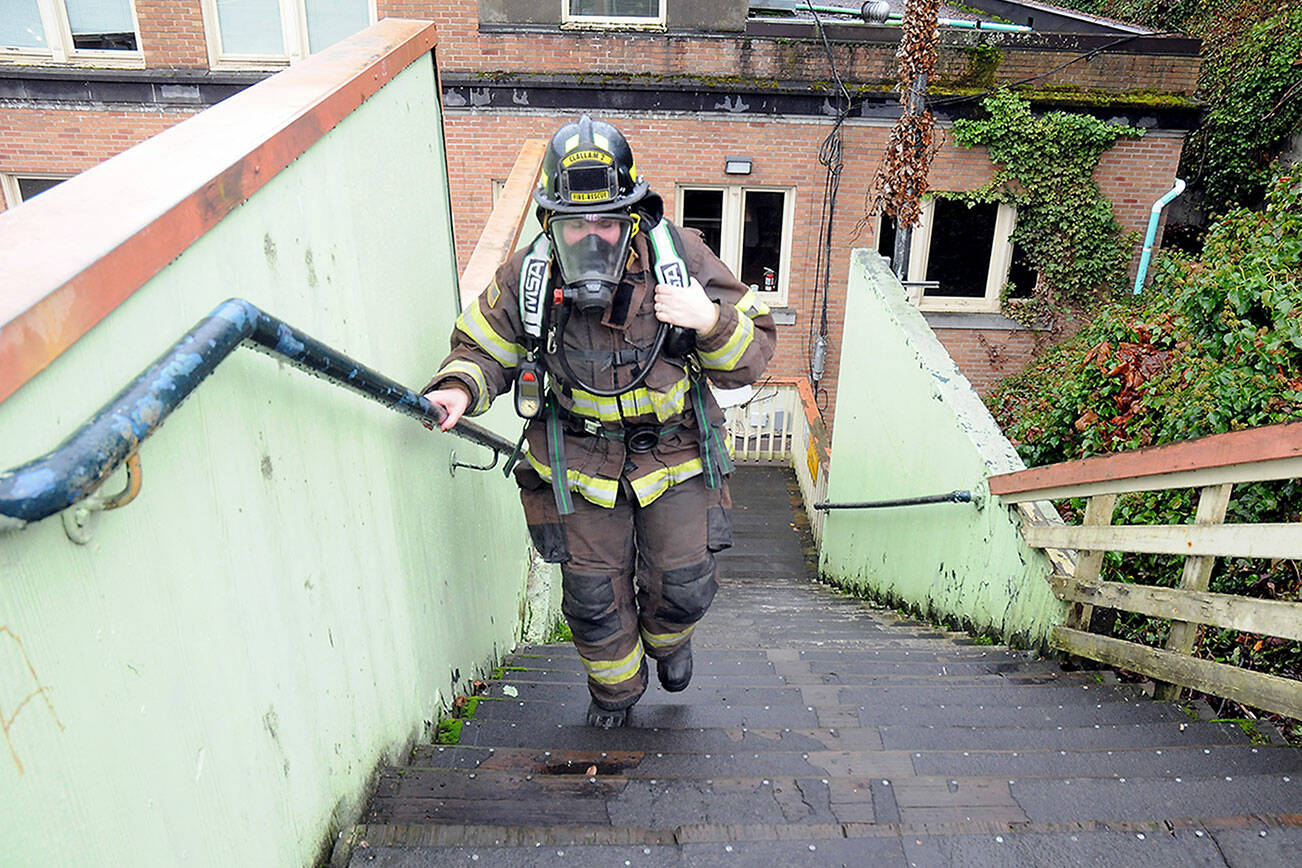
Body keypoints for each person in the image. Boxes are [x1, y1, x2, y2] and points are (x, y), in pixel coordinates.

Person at [423, 115, 776, 728]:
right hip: (579, 465)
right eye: (574, 224)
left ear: (635, 217)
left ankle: (669, 642)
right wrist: (457, 388)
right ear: (549, 224)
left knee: (685, 584)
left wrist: (706, 319)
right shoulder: (527, 278)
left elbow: (752, 361)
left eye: (607, 222)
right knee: (591, 602)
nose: (592, 237)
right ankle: (616, 693)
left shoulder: (683, 257)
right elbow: (482, 348)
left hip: (678, 455)